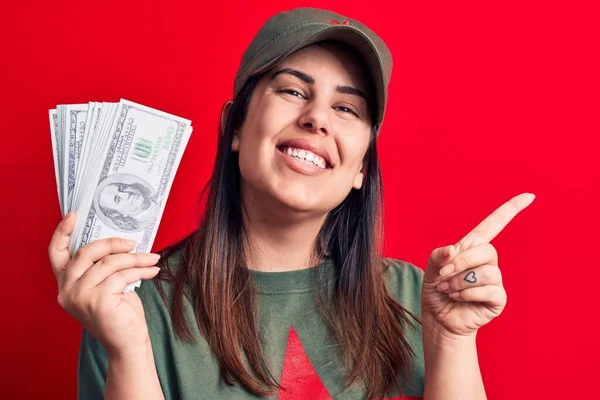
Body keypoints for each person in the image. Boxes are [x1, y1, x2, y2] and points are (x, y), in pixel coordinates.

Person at [48, 7, 534, 400]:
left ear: (363, 166)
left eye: (346, 108)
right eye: (292, 90)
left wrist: (451, 340)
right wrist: (129, 349)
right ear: (233, 128)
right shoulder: (133, 304)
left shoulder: (413, 297)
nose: (317, 117)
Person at [93, 173, 160, 233]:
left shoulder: (159, 196)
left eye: (122, 188)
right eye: (118, 199)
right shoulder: (143, 225)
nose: (127, 194)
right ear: (121, 214)